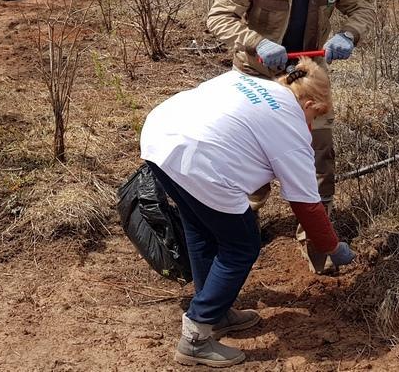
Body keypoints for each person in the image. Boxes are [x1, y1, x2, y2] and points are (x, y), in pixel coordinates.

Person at [141, 59, 356, 367]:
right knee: (241, 245)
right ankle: (196, 337)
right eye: (315, 116)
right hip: (198, 162)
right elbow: (307, 206)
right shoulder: (290, 126)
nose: (312, 124)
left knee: (202, 230)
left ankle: (218, 312)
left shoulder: (251, 82)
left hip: (159, 137)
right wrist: (334, 247)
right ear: (308, 103)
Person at [205, 0, 375, 271]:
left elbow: (363, 6)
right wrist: (255, 42)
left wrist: (349, 33)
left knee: (318, 154)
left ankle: (316, 244)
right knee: (252, 155)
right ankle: (242, 227)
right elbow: (218, 17)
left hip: (307, 74)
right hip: (257, 74)